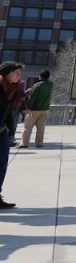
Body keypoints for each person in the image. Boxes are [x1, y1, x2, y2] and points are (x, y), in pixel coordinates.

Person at [0, 61, 25, 208]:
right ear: (6, 73)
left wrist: (11, 130)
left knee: (2, 164)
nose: (19, 76)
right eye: (16, 73)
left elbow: (9, 111)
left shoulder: (13, 89)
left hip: (2, 130)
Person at [20, 70, 54, 149]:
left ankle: (24, 143)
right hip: (45, 109)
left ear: (40, 76)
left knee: (28, 127)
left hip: (34, 109)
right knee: (41, 127)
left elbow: (32, 98)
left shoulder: (37, 85)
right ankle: (39, 143)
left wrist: (27, 107)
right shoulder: (50, 85)